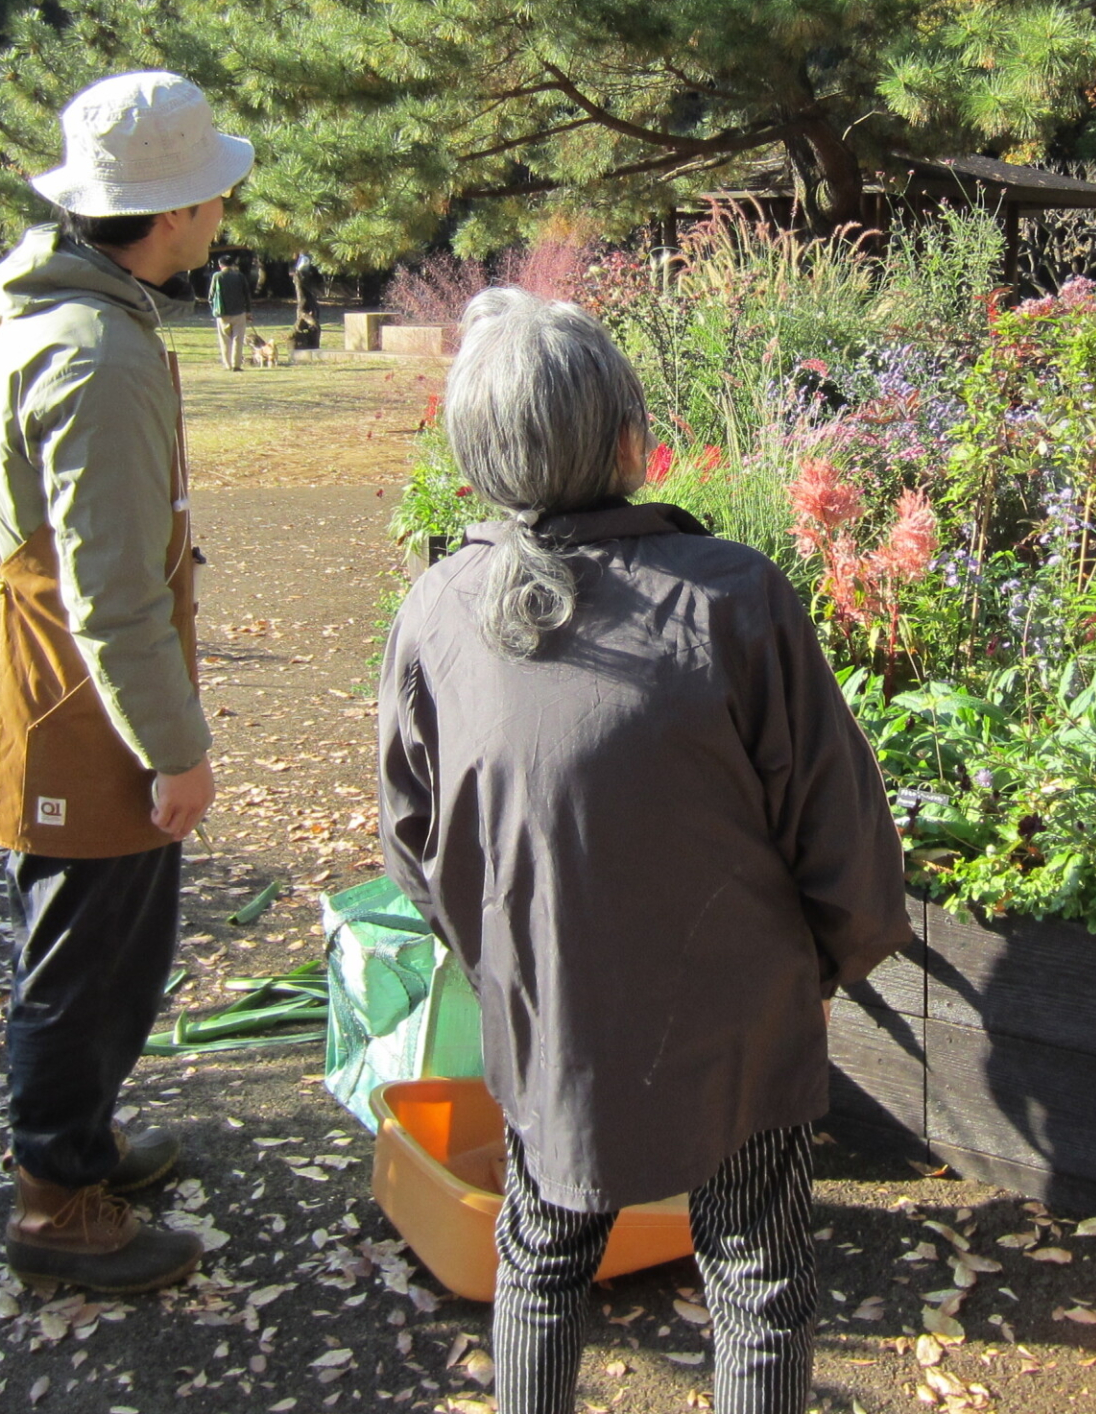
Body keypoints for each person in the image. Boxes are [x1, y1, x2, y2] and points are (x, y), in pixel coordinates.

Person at [376, 289, 911, 1414]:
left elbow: (414, 843)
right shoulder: (729, 595)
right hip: (737, 1015)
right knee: (758, 1277)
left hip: (550, 1011)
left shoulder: (438, 610)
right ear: (628, 436)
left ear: (476, 458)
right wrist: (828, 970)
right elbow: (836, 821)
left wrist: (502, 964)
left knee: (539, 1255)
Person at [0, 69, 253, 1294]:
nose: (225, 211)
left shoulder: (35, 291)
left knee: (102, 938)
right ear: (176, 213)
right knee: (84, 954)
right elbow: (113, 594)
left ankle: (80, 1144)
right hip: (79, 694)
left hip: (35, 667)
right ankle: (54, 1200)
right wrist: (176, 751)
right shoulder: (100, 356)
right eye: (214, 194)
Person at [208, 252, 255, 370]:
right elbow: (246, 294)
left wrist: (214, 310)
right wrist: (248, 311)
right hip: (239, 312)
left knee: (224, 339)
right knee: (238, 339)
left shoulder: (217, 276)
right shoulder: (239, 276)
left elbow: (211, 296)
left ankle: (227, 364)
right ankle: (236, 364)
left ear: (220, 265)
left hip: (222, 313)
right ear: (232, 264)